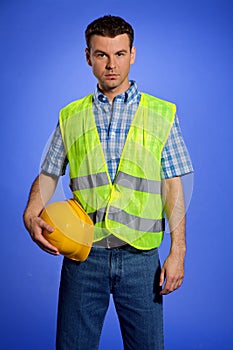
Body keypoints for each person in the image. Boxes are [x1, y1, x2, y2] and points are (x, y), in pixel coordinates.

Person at [23, 15, 193, 350]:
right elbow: (48, 174)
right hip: (84, 255)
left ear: (132, 54)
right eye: (101, 54)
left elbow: (172, 185)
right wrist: (30, 215)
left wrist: (178, 252)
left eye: (119, 54)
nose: (111, 64)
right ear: (88, 57)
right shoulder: (71, 115)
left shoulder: (161, 114)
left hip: (141, 257)